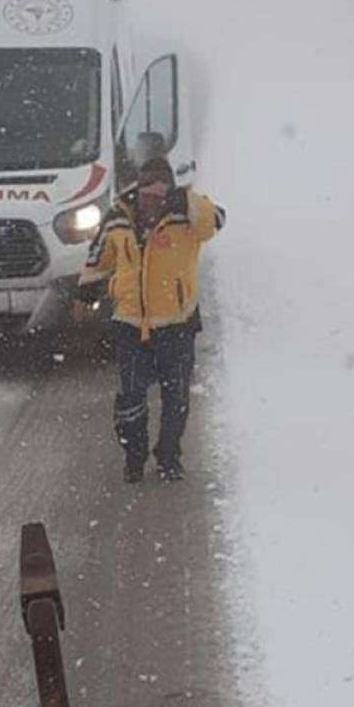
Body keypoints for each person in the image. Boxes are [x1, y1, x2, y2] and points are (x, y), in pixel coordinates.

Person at [74, 155, 225, 482]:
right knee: (130, 397)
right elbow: (98, 256)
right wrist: (88, 287)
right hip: (129, 325)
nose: (150, 203)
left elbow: (215, 220)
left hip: (177, 324)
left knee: (176, 398)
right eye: (146, 195)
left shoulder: (186, 219)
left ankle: (169, 456)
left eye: (158, 196)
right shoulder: (117, 219)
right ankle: (134, 456)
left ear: (169, 194)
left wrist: (184, 197)